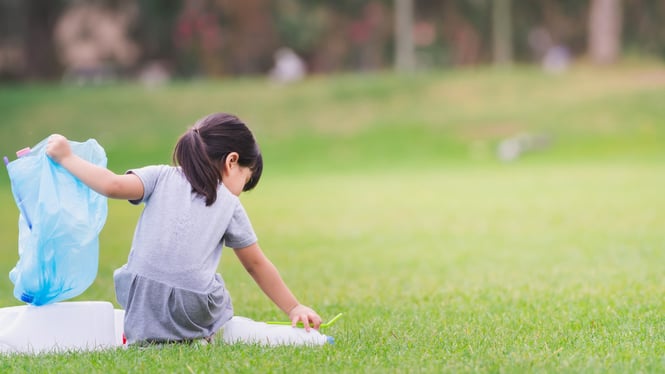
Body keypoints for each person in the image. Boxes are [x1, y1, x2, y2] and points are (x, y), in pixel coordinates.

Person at [45, 112, 322, 345]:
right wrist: (294, 307)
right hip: (193, 309)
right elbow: (256, 265)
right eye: (244, 181)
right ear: (232, 162)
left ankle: (144, 333)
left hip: (141, 301)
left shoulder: (159, 175)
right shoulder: (229, 204)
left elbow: (112, 185)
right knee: (216, 296)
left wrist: (66, 157)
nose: (240, 193)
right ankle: (208, 333)